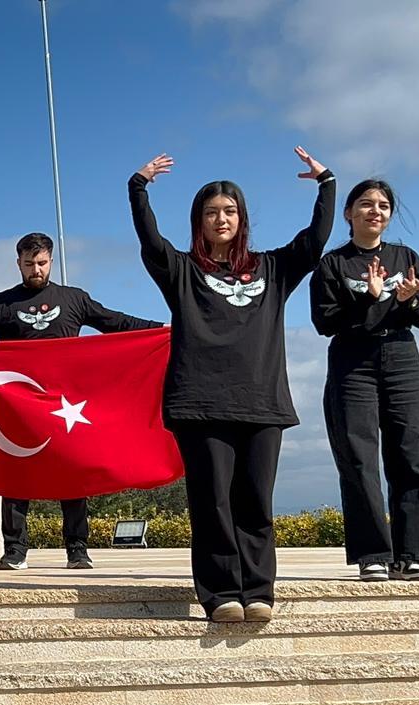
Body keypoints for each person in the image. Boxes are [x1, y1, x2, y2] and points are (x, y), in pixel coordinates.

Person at [128, 147, 335, 623]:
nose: (221, 219)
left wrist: (327, 186)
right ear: (198, 221)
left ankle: (259, 590)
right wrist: (137, 187)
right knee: (213, 501)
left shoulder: (274, 269)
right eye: (210, 213)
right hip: (199, 404)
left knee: (255, 501)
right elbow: (149, 240)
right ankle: (221, 593)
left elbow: (314, 241)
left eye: (229, 211)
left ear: (242, 219)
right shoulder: (180, 271)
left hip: (262, 403)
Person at [0, 231, 161, 571]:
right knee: (15, 472)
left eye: (41, 263)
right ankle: (14, 550)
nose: (35, 270)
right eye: (28, 264)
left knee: (71, 470)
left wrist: (161, 329)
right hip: (17, 405)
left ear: (51, 260)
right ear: (18, 263)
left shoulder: (74, 299)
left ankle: (78, 549)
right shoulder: (1, 303)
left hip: (66, 406)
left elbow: (115, 323)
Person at [309, 179, 419, 583]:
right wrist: (368, 296)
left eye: (383, 205)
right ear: (349, 213)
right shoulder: (333, 264)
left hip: (401, 356)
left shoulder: (406, 256)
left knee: (411, 452)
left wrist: (408, 299)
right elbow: (324, 321)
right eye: (365, 204)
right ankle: (373, 555)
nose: (375, 211)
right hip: (353, 361)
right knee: (358, 458)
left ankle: (414, 553)